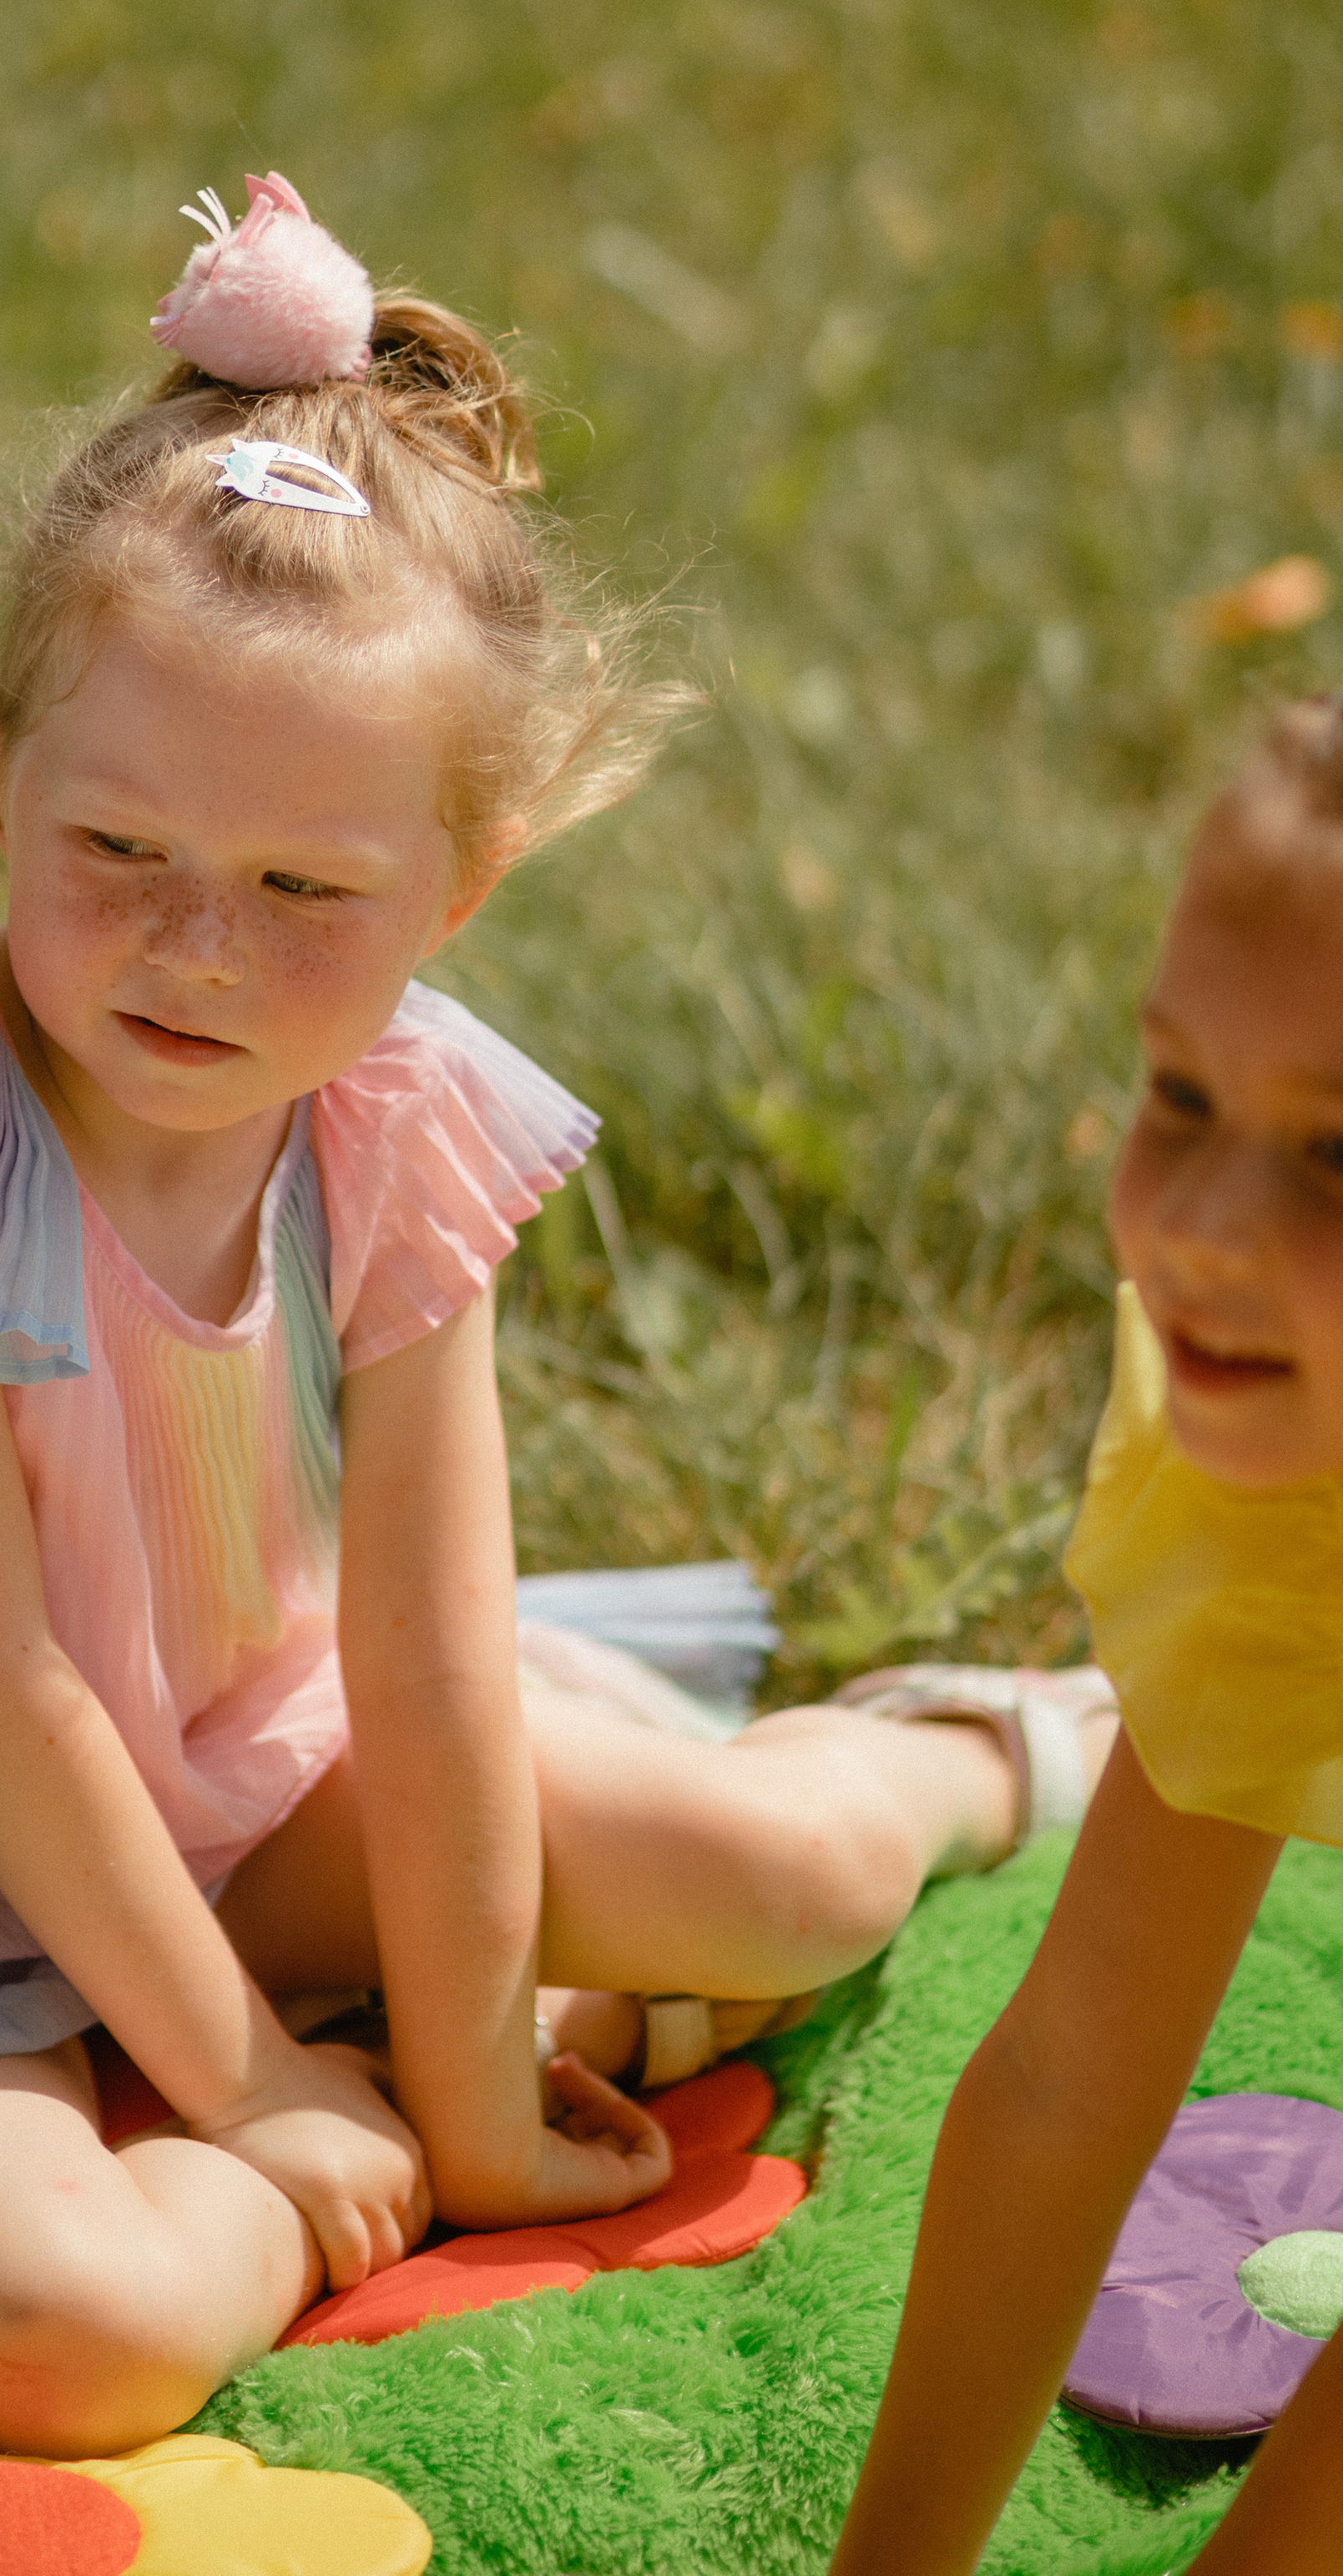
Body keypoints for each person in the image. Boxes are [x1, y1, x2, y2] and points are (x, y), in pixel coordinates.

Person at [0, 173, 1112, 2457]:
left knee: (779, 1872)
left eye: (302, 890)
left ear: (455, 886)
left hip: (229, 1799)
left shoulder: (396, 1112)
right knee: (65, 2336)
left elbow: (431, 1643)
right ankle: (339, 2093)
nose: (196, 952)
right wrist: (273, 2088)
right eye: (117, 858)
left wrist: (477, 2106)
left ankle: (986, 1743)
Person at [831, 698, 1343, 2576]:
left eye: (1336, 1159)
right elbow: (1070, 2075)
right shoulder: (1273, 1467)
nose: (1202, 1231)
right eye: (1180, 1099)